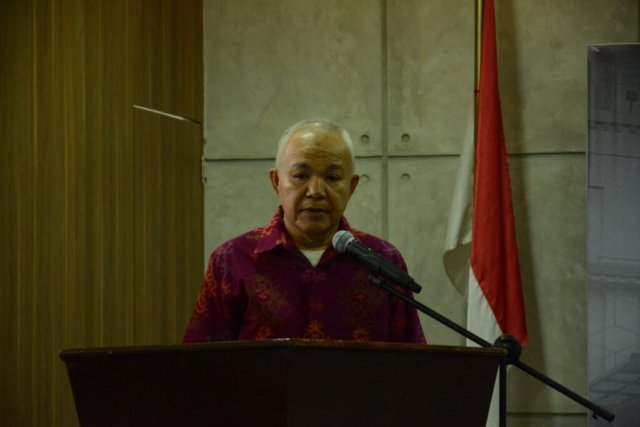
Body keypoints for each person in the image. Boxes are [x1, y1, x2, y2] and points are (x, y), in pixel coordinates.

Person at [182, 119, 425, 343]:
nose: (315, 191)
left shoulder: (382, 260)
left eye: (332, 177)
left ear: (352, 186)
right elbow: (200, 363)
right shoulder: (232, 261)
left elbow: (412, 364)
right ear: (276, 181)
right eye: (301, 176)